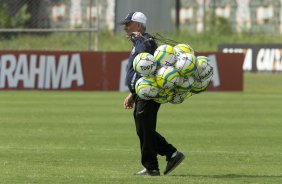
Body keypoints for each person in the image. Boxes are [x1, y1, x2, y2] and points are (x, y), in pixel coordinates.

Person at [120, 12, 185, 176]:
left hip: (148, 93)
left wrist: (139, 38)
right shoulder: (141, 41)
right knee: (143, 129)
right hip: (142, 92)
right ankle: (163, 159)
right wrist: (132, 94)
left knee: (145, 129)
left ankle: (159, 161)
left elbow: (146, 65)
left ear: (139, 26)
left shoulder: (145, 42)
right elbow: (142, 72)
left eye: (129, 23)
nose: (125, 27)